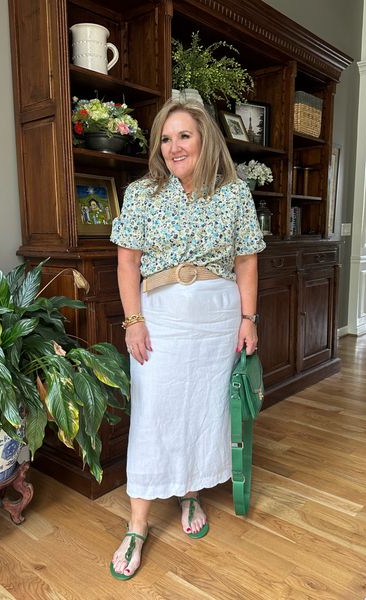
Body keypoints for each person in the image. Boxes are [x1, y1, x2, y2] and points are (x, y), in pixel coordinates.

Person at [109, 99, 266, 580]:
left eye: (184, 136)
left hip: (218, 320)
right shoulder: (141, 194)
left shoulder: (233, 194)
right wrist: (133, 320)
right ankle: (137, 525)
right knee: (155, 414)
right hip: (161, 319)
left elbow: (246, 261)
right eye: (165, 137)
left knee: (203, 409)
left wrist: (249, 318)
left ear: (205, 141)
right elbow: (128, 264)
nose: (173, 146)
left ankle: (191, 493)